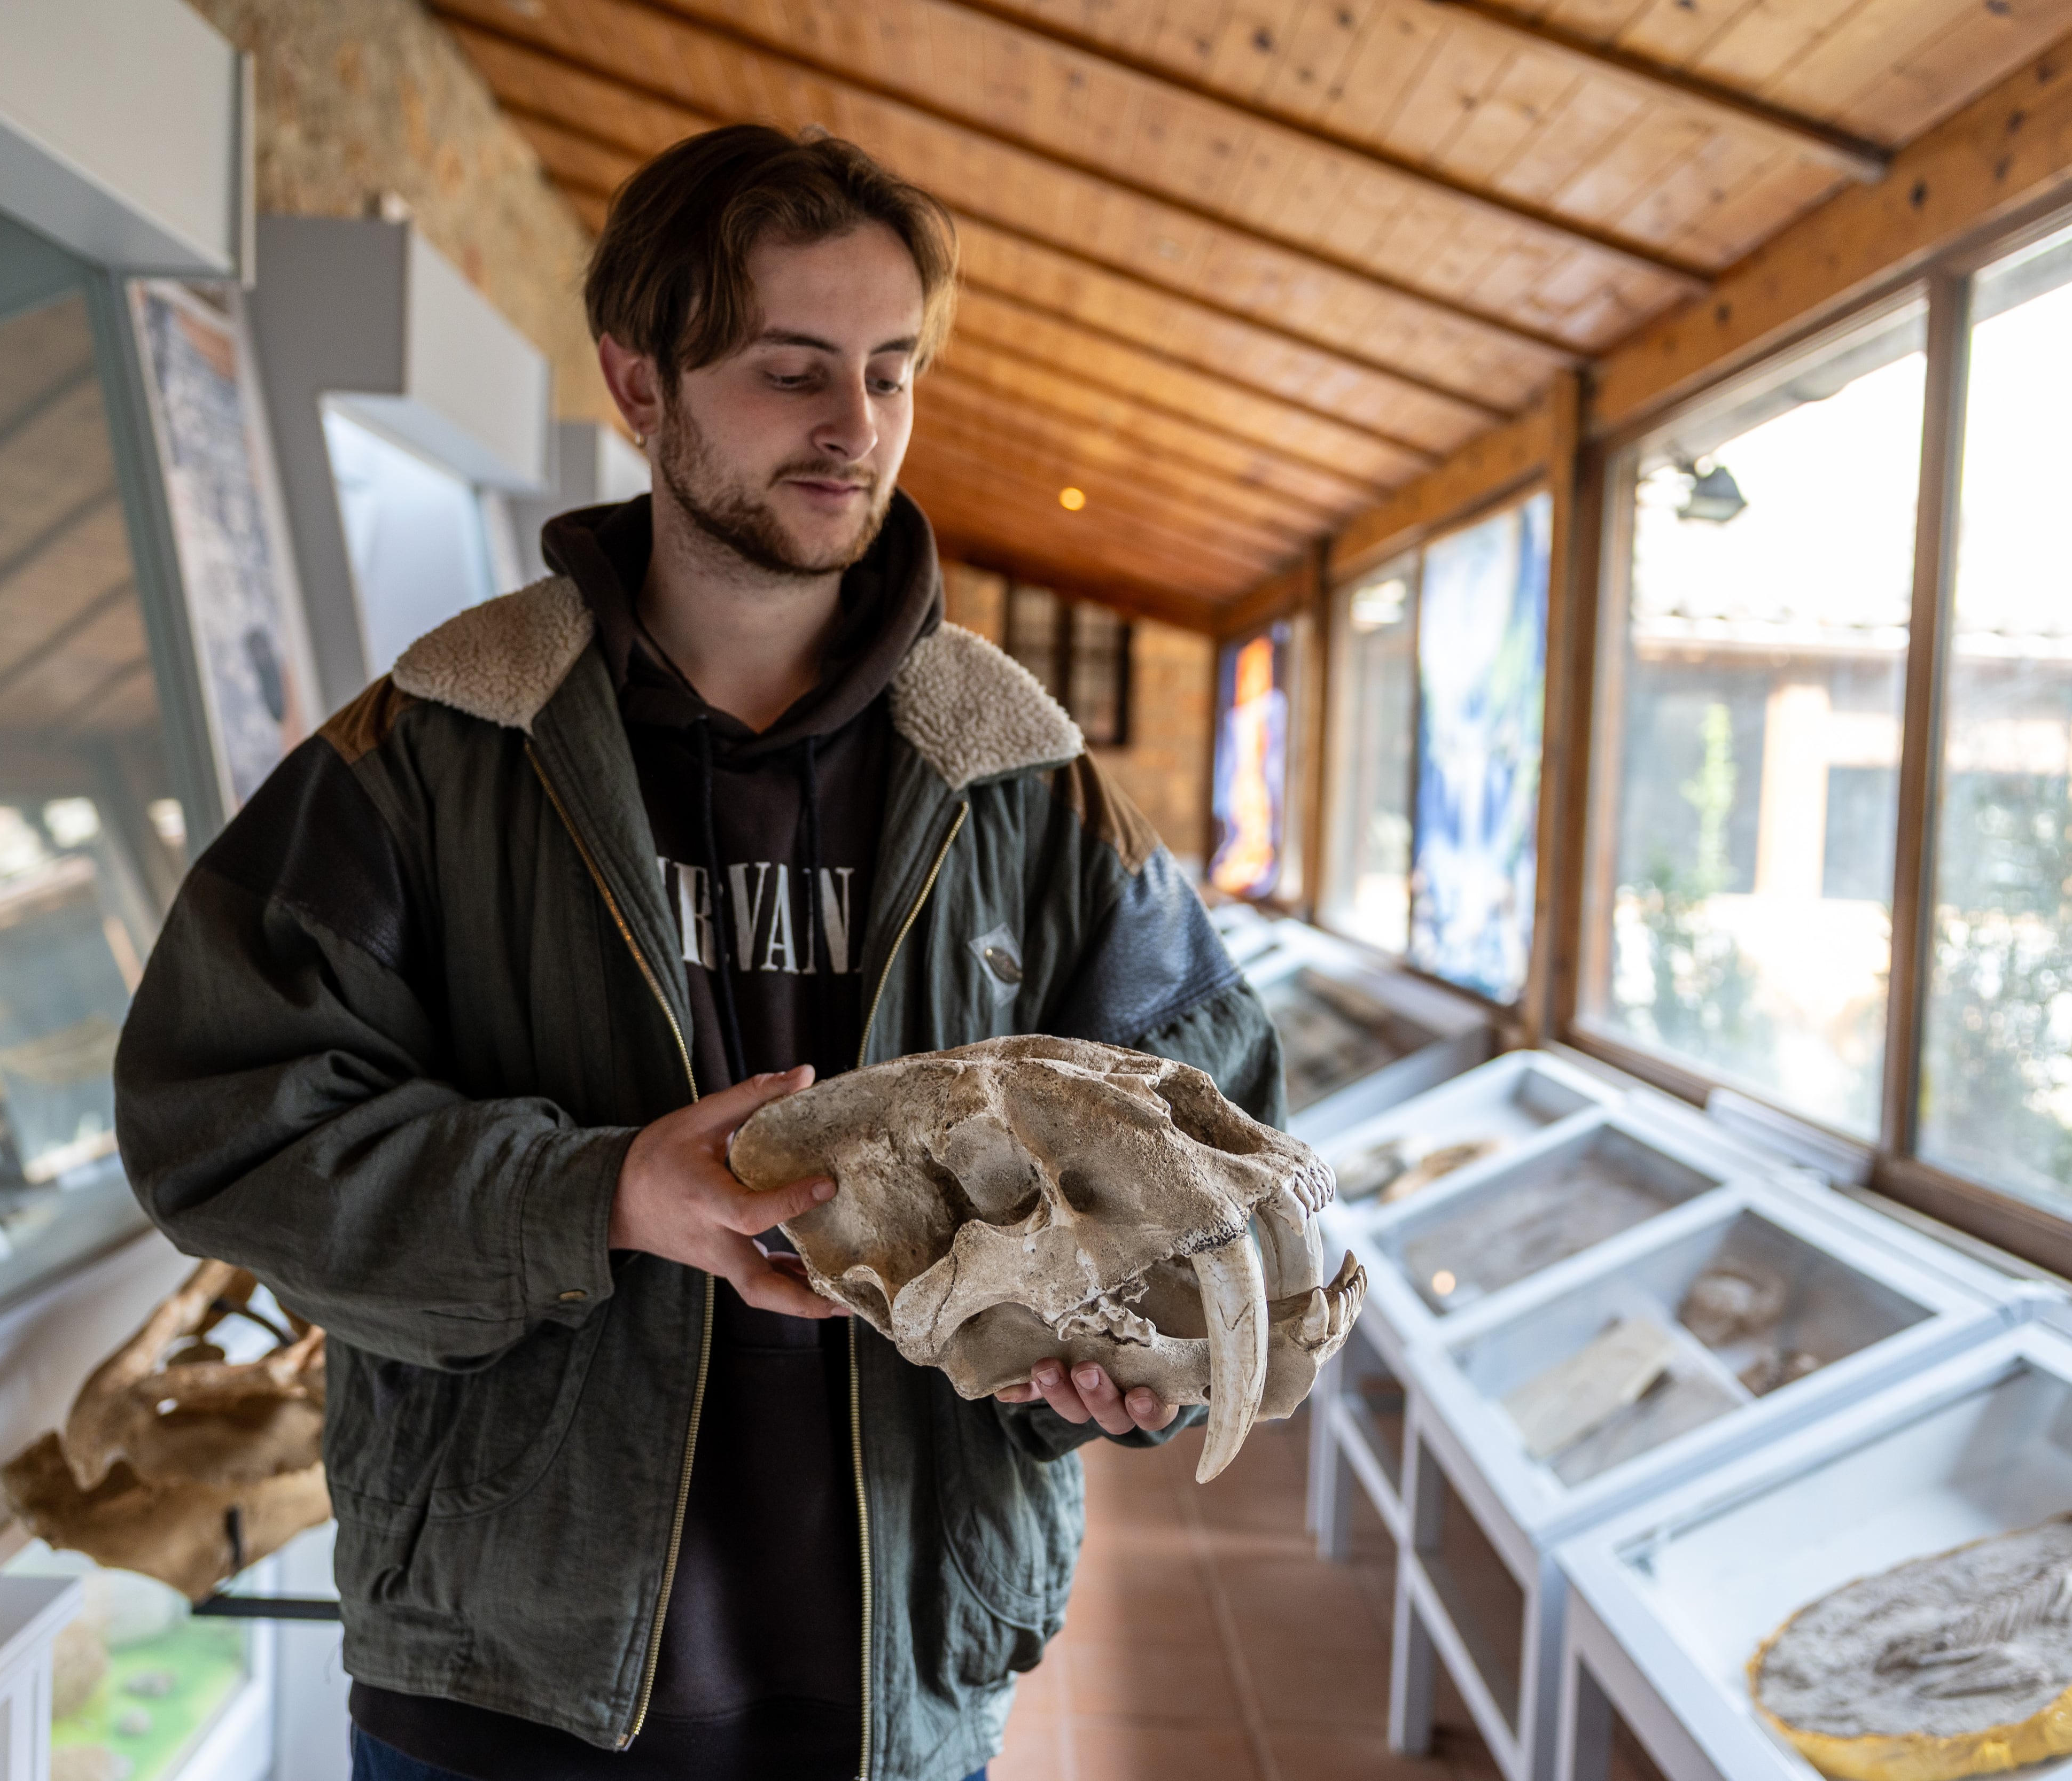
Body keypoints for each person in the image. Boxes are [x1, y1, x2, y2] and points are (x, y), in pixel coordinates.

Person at [113, 123, 1282, 1781]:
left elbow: (1214, 1144)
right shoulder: (431, 748)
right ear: (639, 381)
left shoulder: (1027, 779)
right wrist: (600, 1194)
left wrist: (1126, 1356)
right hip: (500, 1684)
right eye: (791, 369)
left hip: (899, 1676)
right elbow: (222, 1128)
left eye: (891, 371)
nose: (853, 428)